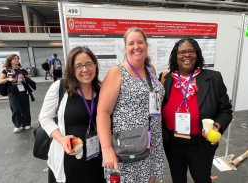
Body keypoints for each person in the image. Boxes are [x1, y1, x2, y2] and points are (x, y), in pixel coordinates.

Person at [159, 38, 233, 183]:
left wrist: (217, 127)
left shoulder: (213, 78)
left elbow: (225, 110)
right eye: (182, 52)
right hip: (173, 145)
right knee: (178, 179)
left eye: (191, 51)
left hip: (200, 145)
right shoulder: (166, 79)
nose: (187, 55)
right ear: (176, 56)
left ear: (197, 54)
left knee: (202, 179)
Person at [97, 28, 165, 183]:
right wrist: (107, 149)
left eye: (140, 42)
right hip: (128, 144)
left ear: (147, 45)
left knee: (149, 179)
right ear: (125, 47)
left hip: (151, 140)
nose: (136, 46)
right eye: (131, 43)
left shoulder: (151, 70)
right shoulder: (117, 72)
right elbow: (103, 112)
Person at [39, 46, 105, 183]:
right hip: (70, 155)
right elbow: (45, 118)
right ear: (71, 69)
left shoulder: (102, 89)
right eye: (78, 66)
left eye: (89, 64)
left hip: (98, 155)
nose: (85, 70)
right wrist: (62, 139)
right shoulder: (60, 87)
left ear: (95, 66)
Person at [0, 54, 32, 133]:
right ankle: (17, 125)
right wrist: (8, 79)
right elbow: (0, 81)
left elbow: (29, 81)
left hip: (23, 89)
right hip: (12, 90)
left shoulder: (23, 70)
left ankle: (26, 123)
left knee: (25, 107)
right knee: (15, 107)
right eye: (14, 59)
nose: (16, 60)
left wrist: (23, 79)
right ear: (10, 61)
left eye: (17, 58)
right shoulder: (6, 70)